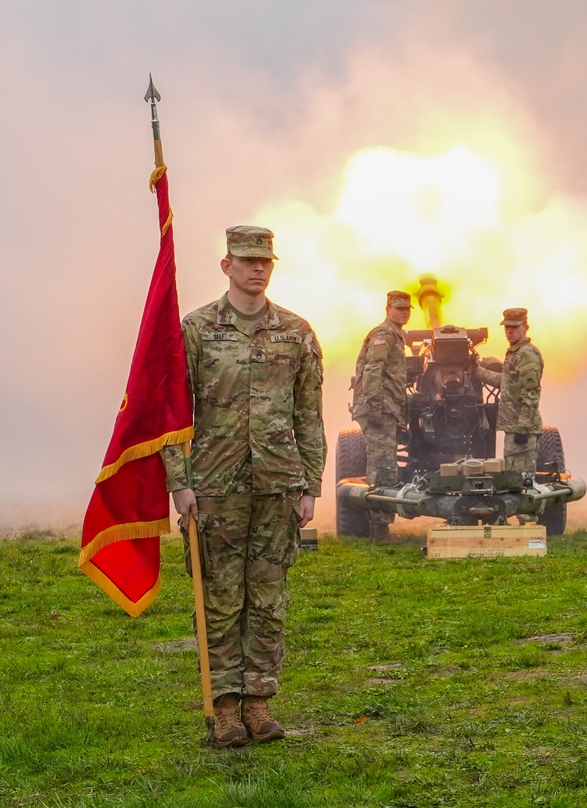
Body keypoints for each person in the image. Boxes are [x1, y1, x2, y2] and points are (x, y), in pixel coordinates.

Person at [163, 225, 327, 746]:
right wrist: (179, 483)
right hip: (215, 486)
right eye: (247, 260)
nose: (258, 269)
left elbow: (309, 414)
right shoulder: (195, 330)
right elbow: (172, 414)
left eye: (266, 261)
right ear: (226, 264)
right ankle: (225, 708)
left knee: (269, 597)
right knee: (219, 597)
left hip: (278, 484)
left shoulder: (297, 333)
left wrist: (311, 484)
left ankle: (258, 702)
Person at [350, 290, 412, 541]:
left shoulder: (395, 336)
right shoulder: (384, 335)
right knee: (383, 468)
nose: (404, 312)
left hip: (386, 407)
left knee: (384, 465)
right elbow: (373, 372)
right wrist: (375, 408)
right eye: (399, 308)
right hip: (380, 408)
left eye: (407, 309)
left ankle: (380, 526)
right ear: (388, 309)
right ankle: (379, 529)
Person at [475, 307, 544, 474]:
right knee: (513, 479)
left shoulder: (526, 354)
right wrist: (477, 371)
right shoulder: (515, 353)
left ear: (525, 327)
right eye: (507, 328)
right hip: (513, 428)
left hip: (521, 432)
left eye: (514, 327)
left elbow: (531, 393)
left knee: (520, 482)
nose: (510, 332)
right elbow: (507, 382)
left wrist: (523, 427)